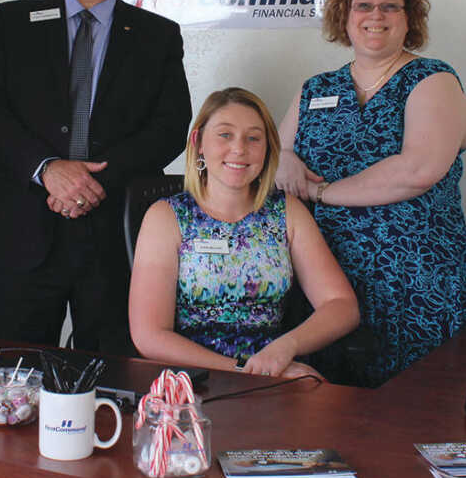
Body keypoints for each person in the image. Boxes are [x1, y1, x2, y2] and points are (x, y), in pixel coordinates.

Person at [0, 0, 191, 354]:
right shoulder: (12, 22)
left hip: (114, 232)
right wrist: (48, 169)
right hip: (24, 226)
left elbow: (170, 126)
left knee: (113, 372)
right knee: (18, 371)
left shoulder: (157, 35)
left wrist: (94, 180)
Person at [276, 0, 466, 387]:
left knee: (414, 403)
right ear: (345, 16)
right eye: (363, 5)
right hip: (324, 282)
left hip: (415, 280)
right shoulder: (316, 88)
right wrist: (285, 158)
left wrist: (323, 192)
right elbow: (274, 155)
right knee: (326, 404)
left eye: (390, 6)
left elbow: (417, 170)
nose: (375, 16)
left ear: (409, 18)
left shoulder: (433, 79)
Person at [129, 88, 359, 377]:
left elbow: (342, 306)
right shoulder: (167, 217)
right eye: (225, 135)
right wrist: (243, 370)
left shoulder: (287, 211)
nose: (239, 149)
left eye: (253, 138)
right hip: (194, 377)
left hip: (274, 368)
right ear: (198, 142)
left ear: (268, 149)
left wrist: (286, 347)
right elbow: (149, 336)